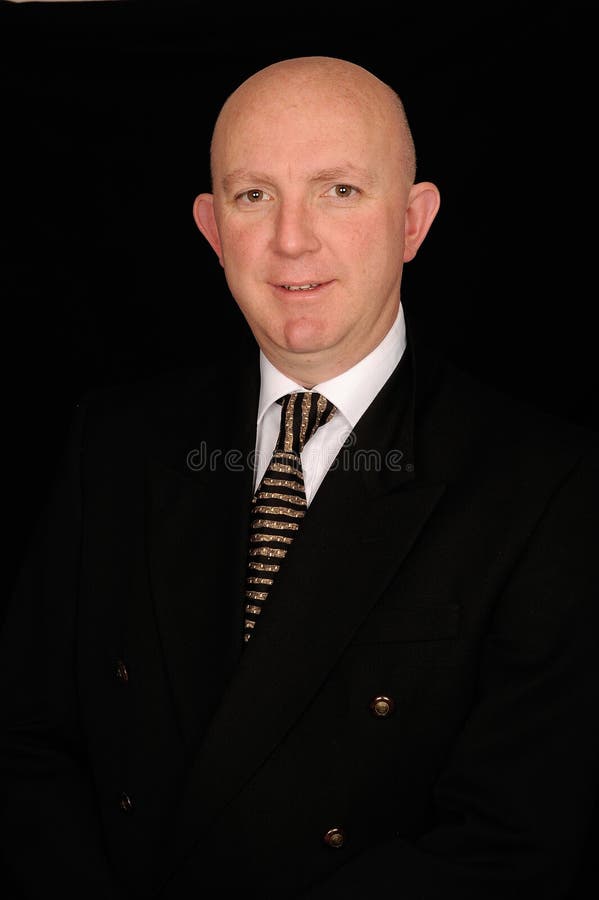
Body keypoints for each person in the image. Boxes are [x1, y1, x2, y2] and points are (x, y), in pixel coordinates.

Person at [1, 54, 598, 900]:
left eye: (338, 190)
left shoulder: (549, 485)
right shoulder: (114, 443)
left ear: (412, 222)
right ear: (211, 229)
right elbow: (26, 745)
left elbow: (509, 839)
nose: (290, 239)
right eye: (254, 196)